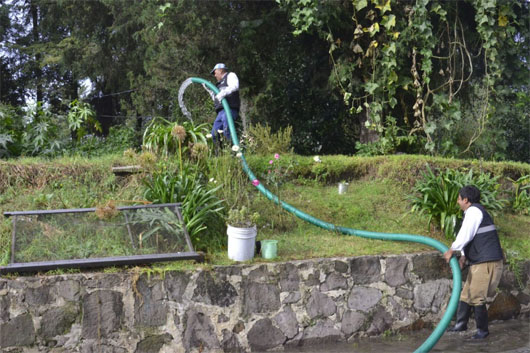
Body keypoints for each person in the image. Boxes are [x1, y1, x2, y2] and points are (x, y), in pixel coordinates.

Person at [443, 185, 504, 339]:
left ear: (466, 200)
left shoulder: (473, 211)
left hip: (486, 262)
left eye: (458, 199)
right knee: (466, 294)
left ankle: (482, 332)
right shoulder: (475, 212)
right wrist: (463, 256)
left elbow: (466, 234)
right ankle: (461, 325)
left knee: (476, 297)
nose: (457, 202)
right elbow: (471, 236)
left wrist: (452, 249)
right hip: (480, 261)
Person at [210, 63, 240, 144]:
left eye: (215, 72)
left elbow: (235, 86)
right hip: (220, 112)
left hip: (229, 109)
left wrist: (223, 92)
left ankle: (234, 152)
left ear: (221, 70)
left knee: (227, 130)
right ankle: (220, 154)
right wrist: (210, 91)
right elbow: (216, 98)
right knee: (214, 134)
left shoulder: (230, 76)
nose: (214, 75)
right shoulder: (218, 85)